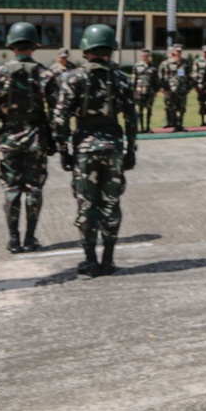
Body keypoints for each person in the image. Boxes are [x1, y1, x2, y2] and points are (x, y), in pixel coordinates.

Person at [52, 24, 137, 277]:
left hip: (84, 150)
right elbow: (132, 119)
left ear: (86, 48)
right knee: (111, 203)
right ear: (110, 49)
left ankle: (90, 261)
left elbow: (60, 119)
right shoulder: (122, 79)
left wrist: (63, 150)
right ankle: (108, 260)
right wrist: (131, 150)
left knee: (86, 204)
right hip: (113, 148)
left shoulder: (73, 78)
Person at [0, 21, 59, 253]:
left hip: (9, 136)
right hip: (36, 135)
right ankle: (30, 237)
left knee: (11, 189)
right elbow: (56, 111)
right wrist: (54, 139)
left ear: (12, 45)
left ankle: (13, 238)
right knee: (34, 189)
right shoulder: (45, 73)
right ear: (34, 46)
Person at [158, 44, 190, 130]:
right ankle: (174, 124)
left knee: (182, 108)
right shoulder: (166, 63)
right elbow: (162, 77)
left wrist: (188, 88)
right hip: (171, 90)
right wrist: (163, 89)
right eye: (177, 51)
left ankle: (180, 124)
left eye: (180, 51)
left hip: (182, 89)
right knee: (172, 108)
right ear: (173, 52)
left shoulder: (185, 63)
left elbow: (189, 76)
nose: (179, 52)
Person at [131, 48, 158, 133]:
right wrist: (133, 91)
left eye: (147, 55)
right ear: (141, 56)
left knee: (149, 110)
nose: (146, 57)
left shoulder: (153, 66)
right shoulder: (137, 66)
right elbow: (133, 79)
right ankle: (141, 128)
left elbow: (156, 80)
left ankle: (147, 127)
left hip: (150, 91)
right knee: (140, 111)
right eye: (144, 55)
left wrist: (155, 91)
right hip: (140, 91)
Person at [193, 45, 206, 126]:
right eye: (205, 52)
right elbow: (194, 74)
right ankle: (202, 121)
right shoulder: (198, 61)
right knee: (202, 104)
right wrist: (196, 85)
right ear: (202, 52)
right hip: (201, 86)